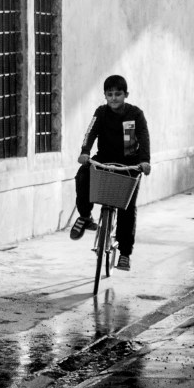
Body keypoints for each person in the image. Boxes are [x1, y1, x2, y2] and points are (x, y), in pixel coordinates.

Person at [69, 74, 151, 271]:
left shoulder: (135, 114)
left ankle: (124, 253)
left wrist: (145, 161)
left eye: (118, 94)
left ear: (126, 95)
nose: (114, 98)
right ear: (105, 96)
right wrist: (85, 151)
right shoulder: (101, 112)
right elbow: (91, 132)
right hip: (104, 158)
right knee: (83, 174)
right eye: (110, 94)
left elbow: (143, 136)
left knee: (127, 206)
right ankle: (85, 216)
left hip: (129, 164)